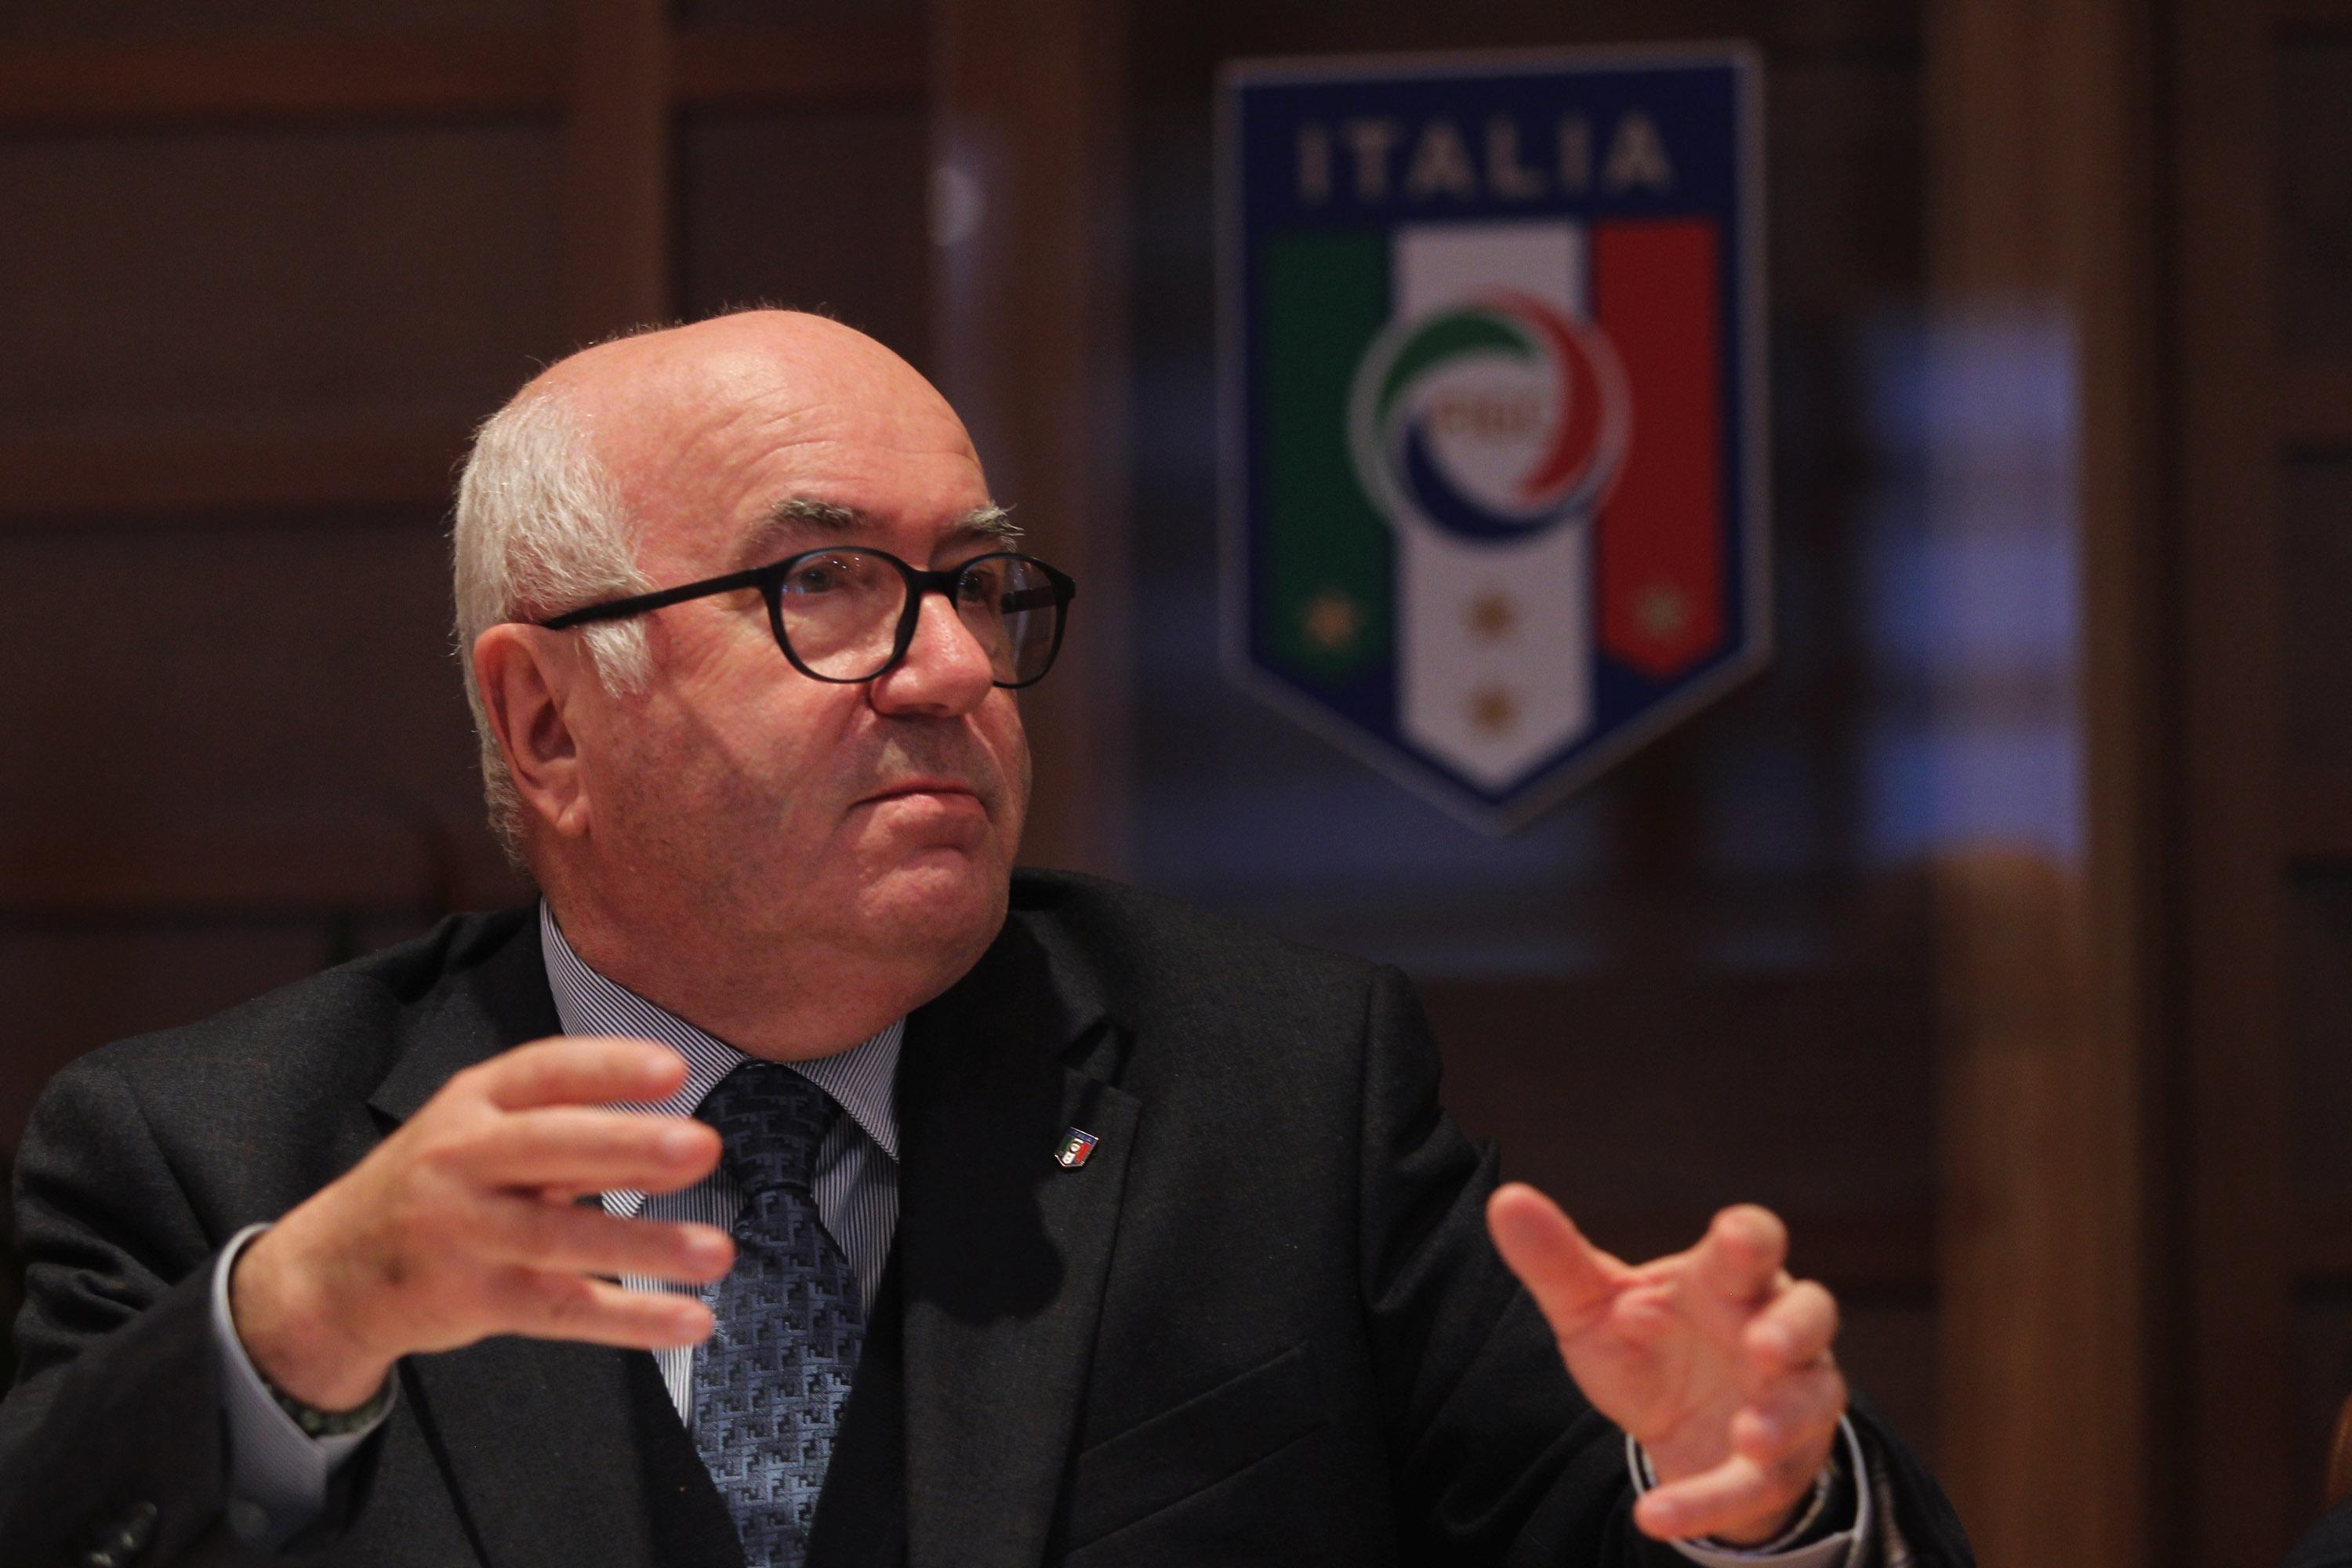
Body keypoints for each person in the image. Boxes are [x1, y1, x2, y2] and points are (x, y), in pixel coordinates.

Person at [0, 311, 1970, 1567]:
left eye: (978, 584)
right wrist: (293, 1329)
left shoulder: (1270, 1086)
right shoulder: (219, 1154)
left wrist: (1761, 1501)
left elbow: (1626, 1518)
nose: (951, 665)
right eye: (830, 584)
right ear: (546, 720)